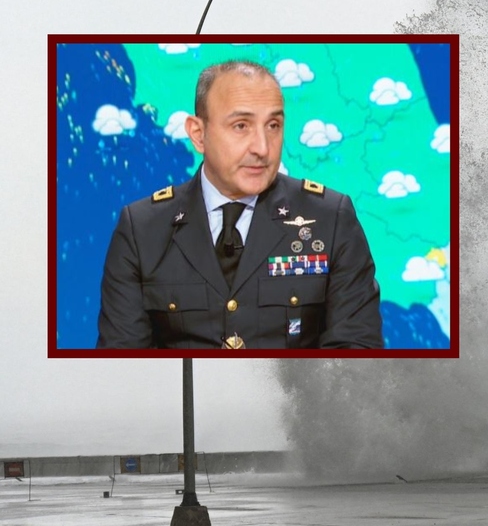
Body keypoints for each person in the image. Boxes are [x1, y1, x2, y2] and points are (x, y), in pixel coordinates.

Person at [96, 60, 383, 349]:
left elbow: (357, 358)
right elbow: (123, 367)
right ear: (198, 134)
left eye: (273, 125)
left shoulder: (330, 219)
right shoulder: (142, 228)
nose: (262, 147)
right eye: (241, 125)